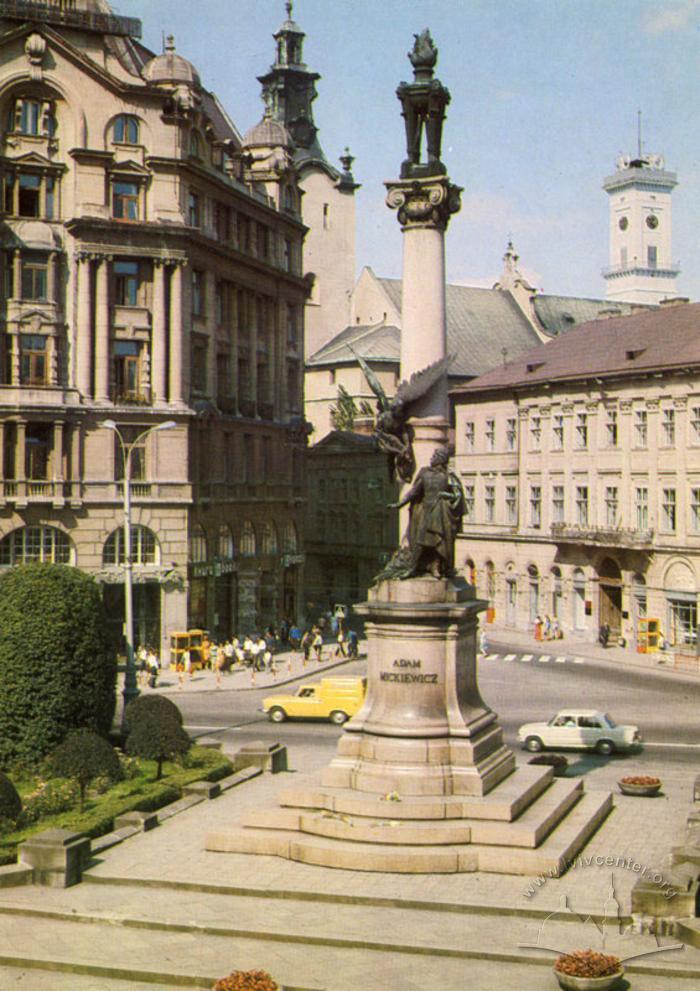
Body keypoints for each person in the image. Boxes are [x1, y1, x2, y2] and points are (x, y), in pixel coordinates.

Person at [385, 447, 465, 580]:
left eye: (435, 456)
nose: (431, 458)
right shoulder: (425, 473)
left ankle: (436, 567)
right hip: (426, 512)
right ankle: (412, 568)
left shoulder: (448, 476)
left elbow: (457, 495)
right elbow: (414, 492)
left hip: (439, 512)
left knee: (439, 542)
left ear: (441, 458)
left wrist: (444, 494)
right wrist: (398, 504)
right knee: (420, 541)